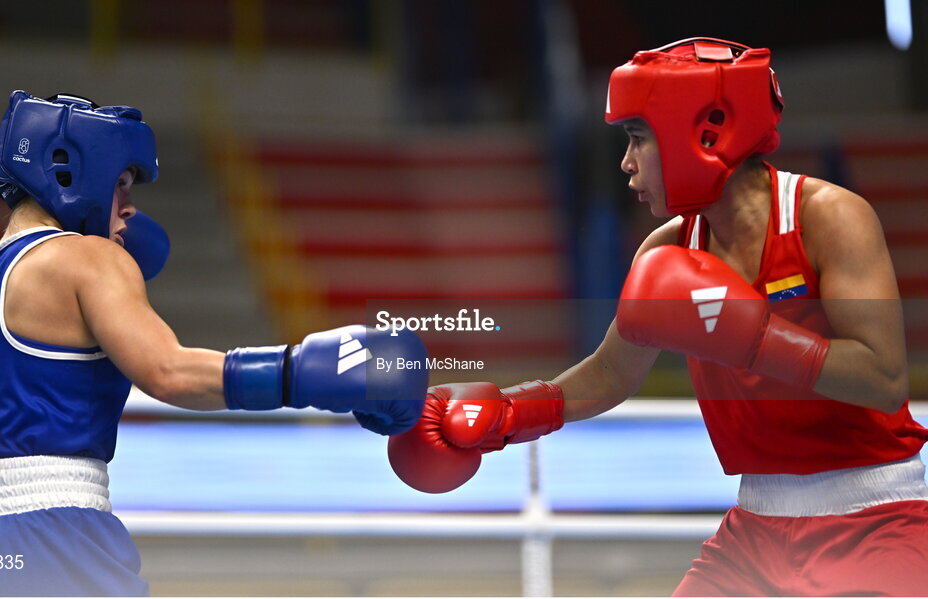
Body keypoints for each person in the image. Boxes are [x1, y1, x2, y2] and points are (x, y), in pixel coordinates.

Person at [387, 38, 928, 595]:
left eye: (638, 138)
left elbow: (885, 380)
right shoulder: (669, 248)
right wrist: (505, 417)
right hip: (756, 528)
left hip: (877, 515)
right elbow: (609, 373)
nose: (625, 163)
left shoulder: (828, 218)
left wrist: (756, 336)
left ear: (705, 134)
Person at [0, 91, 429, 597]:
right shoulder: (86, 258)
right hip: (49, 534)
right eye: (122, 185)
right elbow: (169, 373)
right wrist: (309, 371)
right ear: (73, 174)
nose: (130, 209)